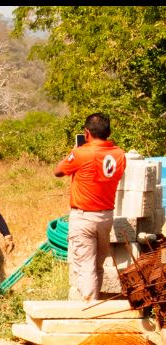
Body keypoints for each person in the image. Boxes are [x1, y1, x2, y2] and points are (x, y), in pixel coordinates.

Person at [54, 112, 126, 301]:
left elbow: (58, 171)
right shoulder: (119, 155)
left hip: (84, 217)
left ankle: (88, 309)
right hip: (106, 217)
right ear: (108, 132)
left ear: (87, 132)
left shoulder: (81, 153)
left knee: (85, 266)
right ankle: (94, 302)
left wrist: (74, 151)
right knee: (97, 265)